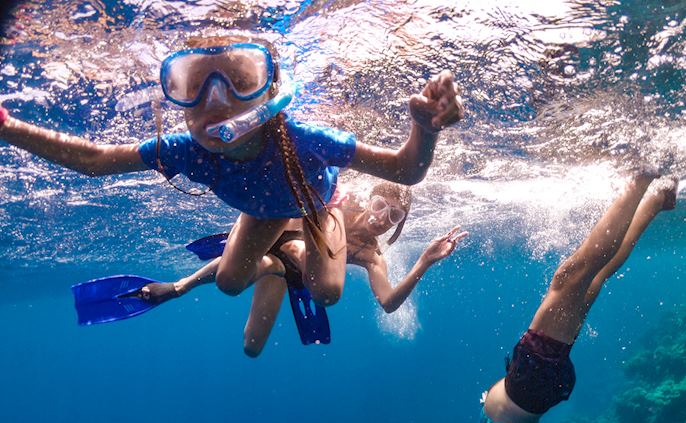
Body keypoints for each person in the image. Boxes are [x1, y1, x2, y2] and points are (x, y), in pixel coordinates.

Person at [0, 35, 463, 307]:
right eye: (194, 87)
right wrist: (9, 126)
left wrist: (424, 131)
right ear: (173, 96)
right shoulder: (185, 151)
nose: (216, 102)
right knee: (228, 285)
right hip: (260, 212)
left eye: (241, 84)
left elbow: (405, 170)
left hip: (317, 205)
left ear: (272, 95)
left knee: (327, 294)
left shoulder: (309, 142)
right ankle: (280, 263)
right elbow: (96, 162)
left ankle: (294, 253)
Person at [448, 172, 678, 423]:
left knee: (595, 276)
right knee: (571, 276)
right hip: (529, 385)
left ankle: (655, 199)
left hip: (535, 388)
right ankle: (641, 176)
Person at [126, 182, 468, 356]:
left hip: (289, 272)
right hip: (272, 237)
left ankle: (270, 267)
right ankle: (179, 287)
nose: (382, 218)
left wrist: (424, 261)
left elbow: (389, 303)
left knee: (252, 347)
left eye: (394, 216)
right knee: (290, 251)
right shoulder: (341, 207)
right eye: (381, 206)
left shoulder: (372, 254)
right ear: (369, 199)